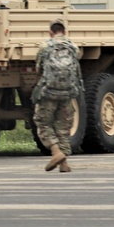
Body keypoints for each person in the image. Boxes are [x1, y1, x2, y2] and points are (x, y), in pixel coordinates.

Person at [32, 20, 82, 172]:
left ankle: (56, 152)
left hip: (49, 92)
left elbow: (38, 67)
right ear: (65, 32)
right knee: (63, 127)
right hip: (68, 92)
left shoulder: (45, 46)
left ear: (50, 32)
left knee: (43, 122)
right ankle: (64, 164)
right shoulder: (73, 47)